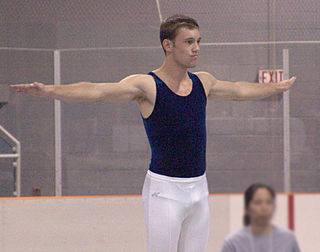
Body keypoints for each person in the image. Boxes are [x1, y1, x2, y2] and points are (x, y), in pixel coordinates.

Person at [10, 15, 295, 252]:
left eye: (198, 42)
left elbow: (239, 91)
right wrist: (50, 91)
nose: (196, 48)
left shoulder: (203, 82)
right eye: (188, 42)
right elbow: (97, 90)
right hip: (165, 192)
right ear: (168, 45)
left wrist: (275, 88)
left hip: (199, 189)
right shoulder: (147, 86)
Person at [220, 183, 301, 252]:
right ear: (247, 208)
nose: (264, 208)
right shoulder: (233, 242)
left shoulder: (288, 239)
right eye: (258, 202)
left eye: (269, 202)